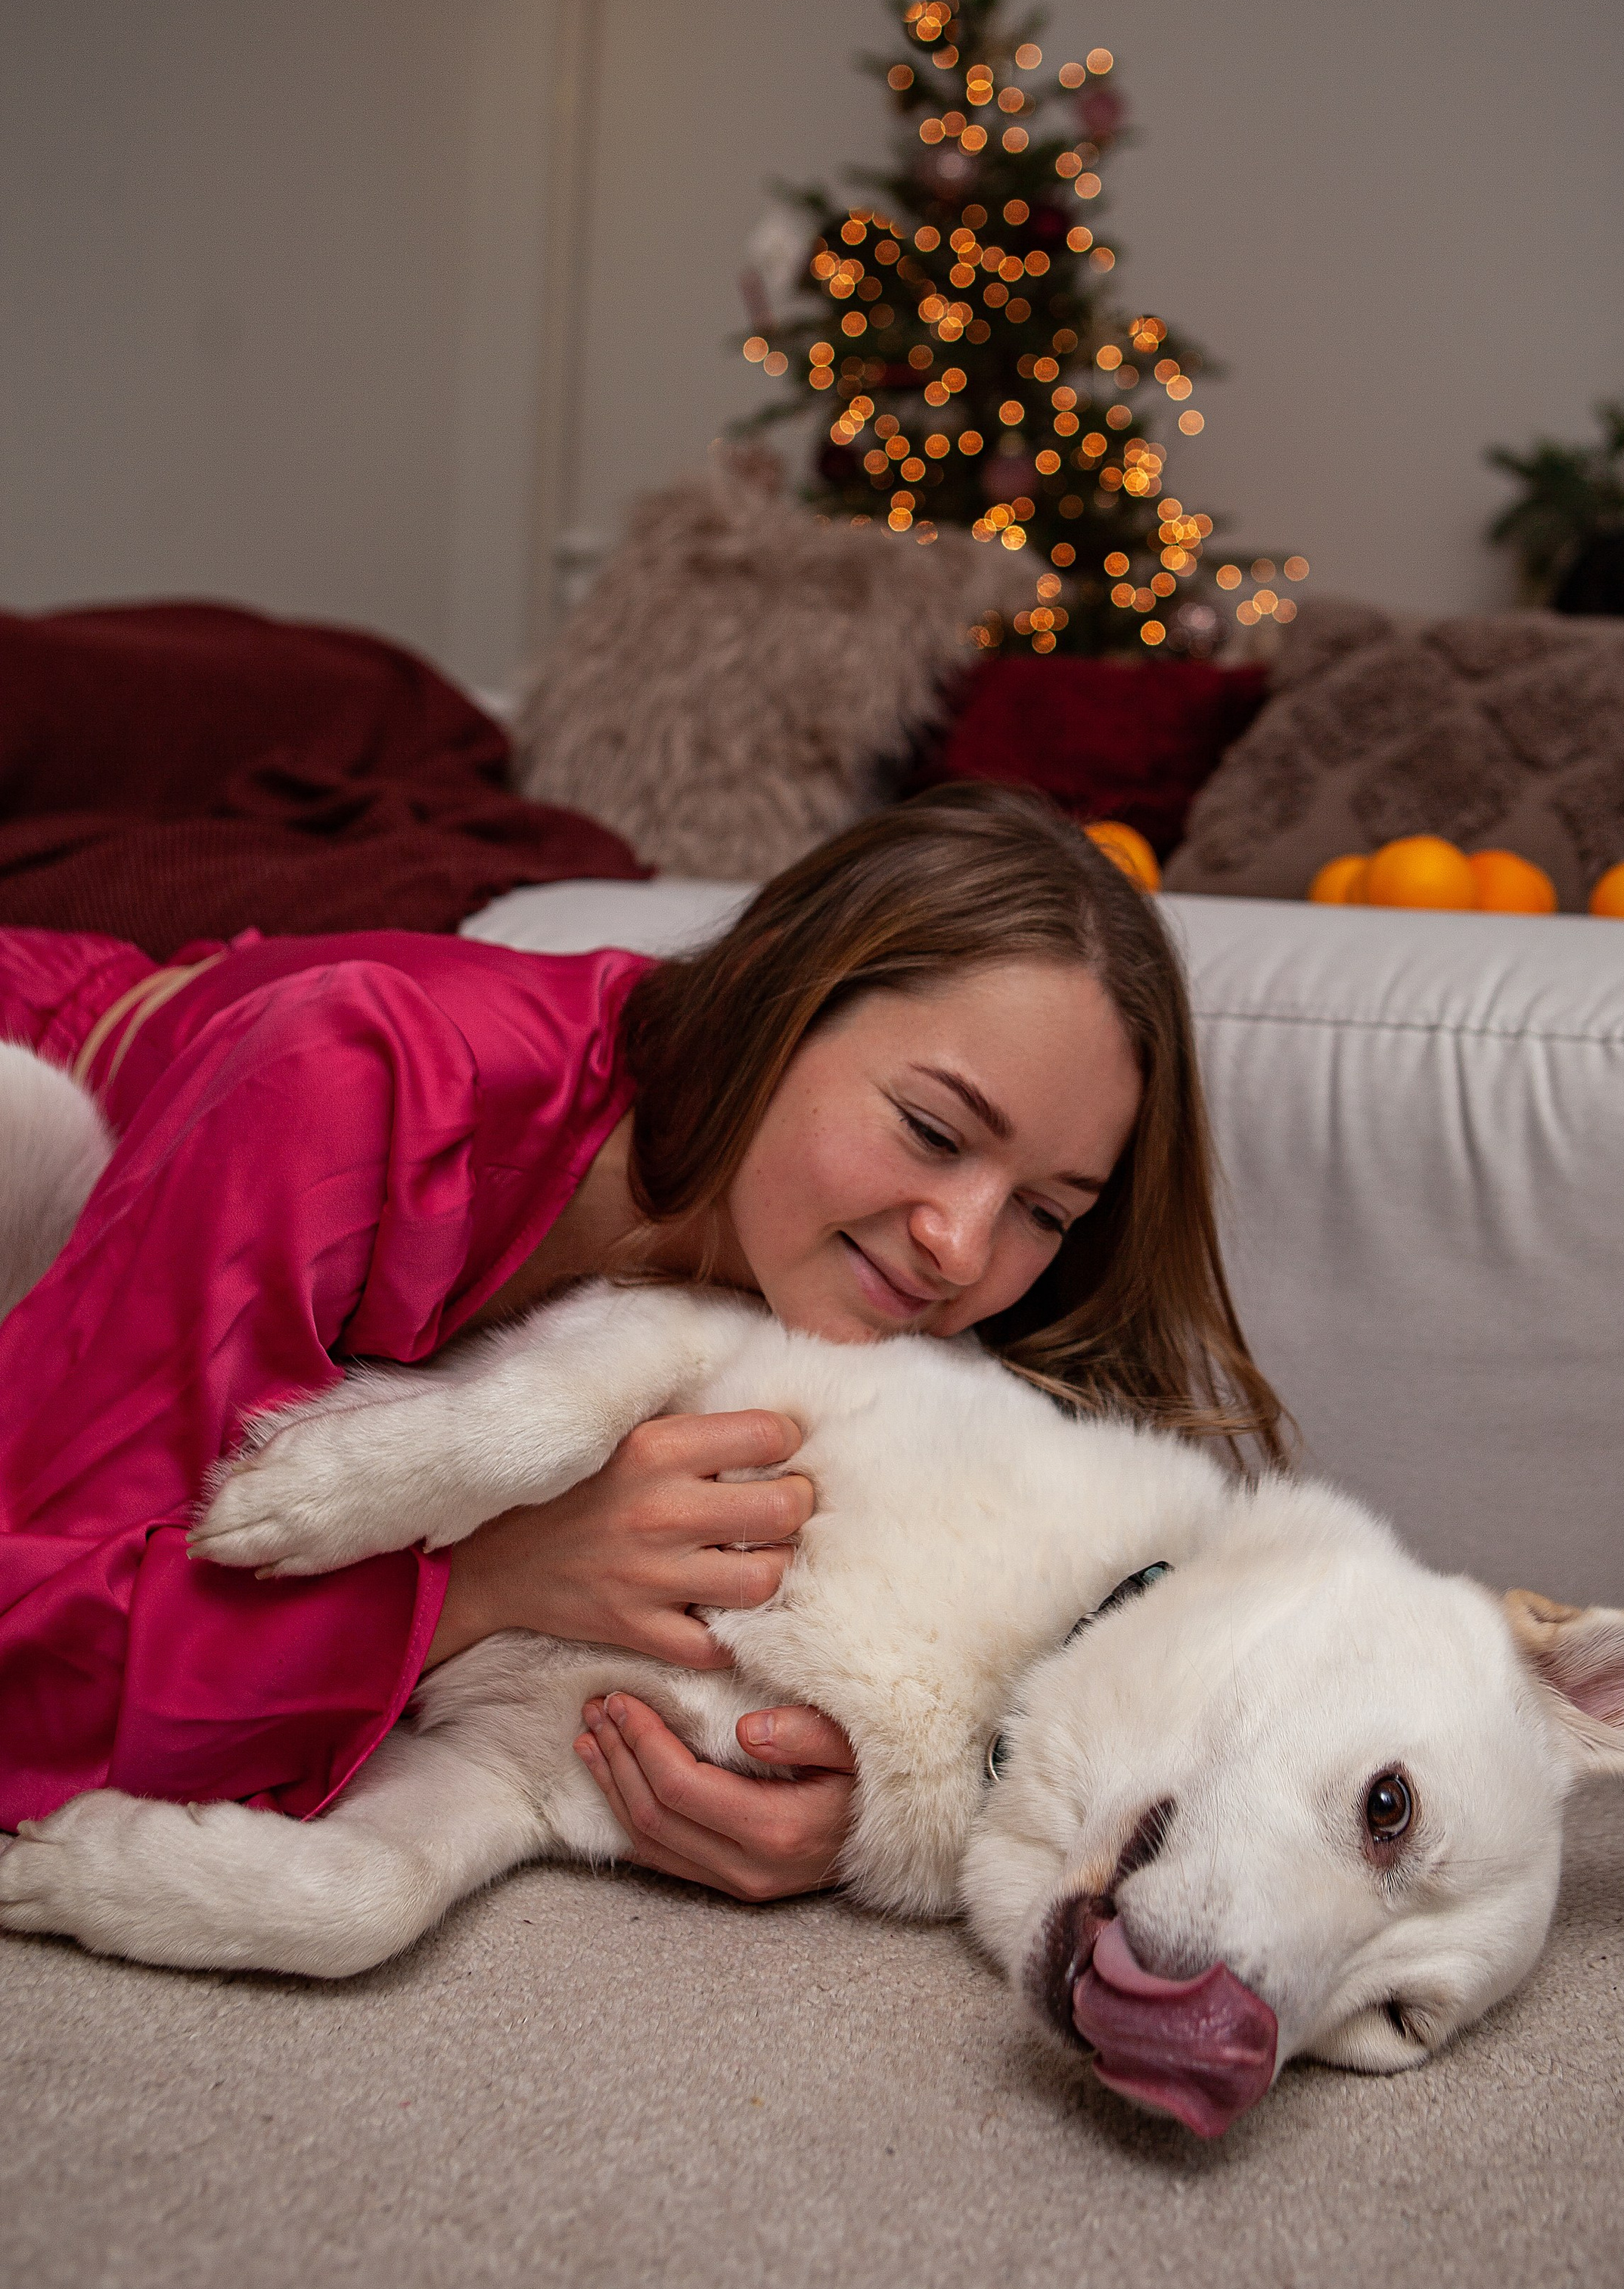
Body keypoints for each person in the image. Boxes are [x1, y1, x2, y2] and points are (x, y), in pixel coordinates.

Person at [0, 784, 1282, 1902]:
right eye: (934, 1132)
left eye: (1045, 1211)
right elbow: (27, 1676)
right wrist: (484, 1579)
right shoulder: (358, 1087)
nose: (960, 1244)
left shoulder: (876, 1319)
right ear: (783, 1000)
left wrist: (853, 1808)